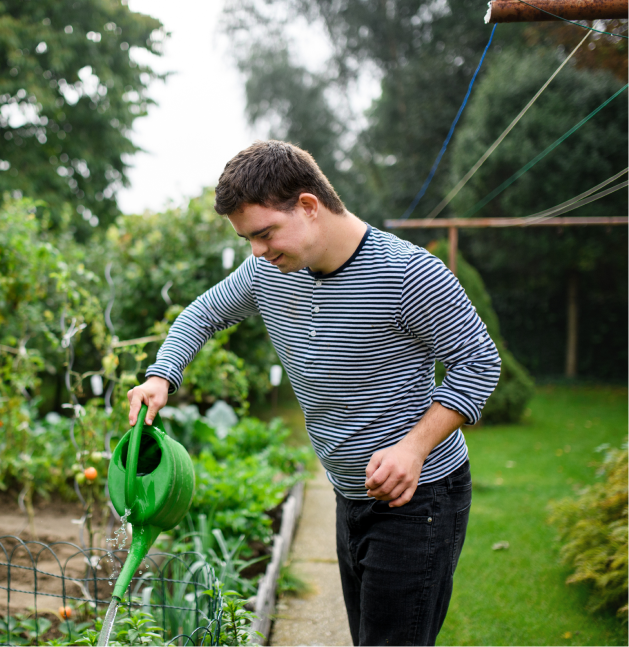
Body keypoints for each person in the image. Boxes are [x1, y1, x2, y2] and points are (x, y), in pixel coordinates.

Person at [125, 140, 501, 646]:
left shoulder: (407, 273)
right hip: (350, 491)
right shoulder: (268, 272)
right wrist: (161, 375)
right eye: (248, 240)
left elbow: (478, 362)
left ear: (307, 206)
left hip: (420, 498)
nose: (256, 251)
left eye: (263, 233)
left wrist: (414, 447)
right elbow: (202, 313)